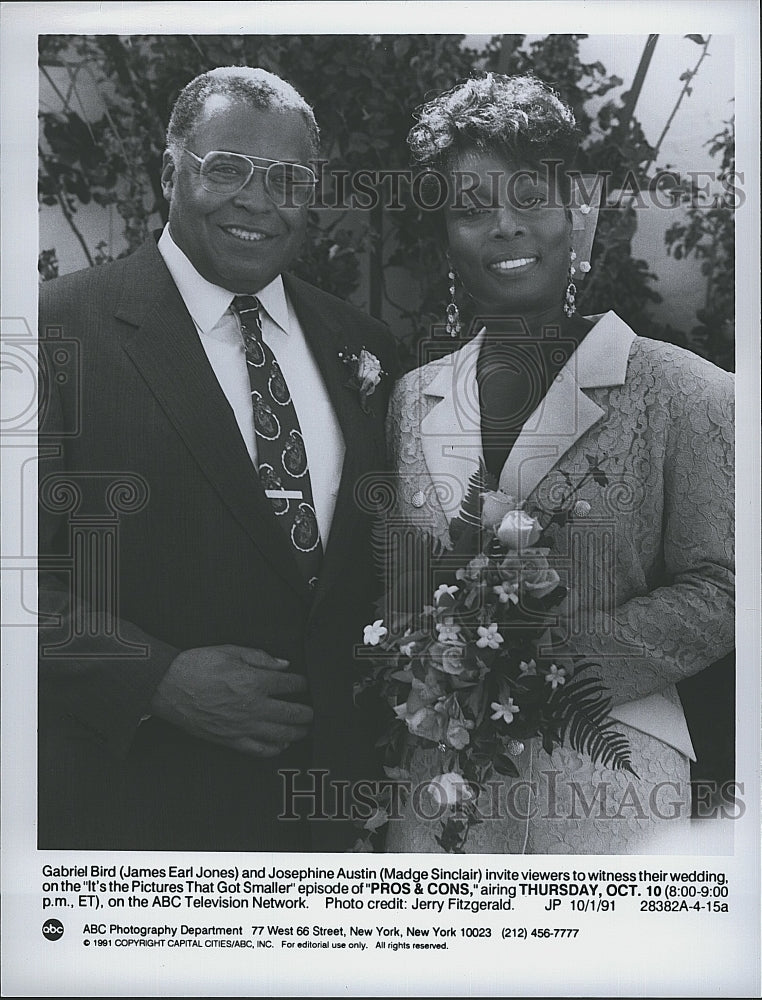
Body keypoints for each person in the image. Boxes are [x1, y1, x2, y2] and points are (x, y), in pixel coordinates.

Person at [38, 66, 397, 852]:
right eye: (227, 167)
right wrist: (153, 680)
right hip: (136, 821)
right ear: (171, 172)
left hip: (333, 825)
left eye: (287, 179)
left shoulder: (365, 349)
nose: (258, 200)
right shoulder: (53, 333)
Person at [383, 74, 734, 853]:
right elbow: (404, 581)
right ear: (445, 232)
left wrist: (544, 665)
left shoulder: (686, 392)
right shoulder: (413, 398)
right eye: (472, 208)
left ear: (580, 209)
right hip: (440, 787)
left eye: (531, 198)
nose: (505, 228)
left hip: (610, 783)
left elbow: (727, 587)